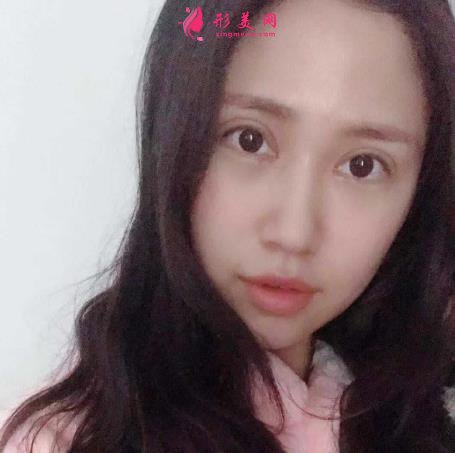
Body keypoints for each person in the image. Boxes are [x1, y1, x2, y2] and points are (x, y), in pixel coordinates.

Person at [1, 0, 454, 451]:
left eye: (362, 165)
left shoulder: (410, 420)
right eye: (249, 140)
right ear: (174, 137)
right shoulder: (67, 442)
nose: (294, 233)